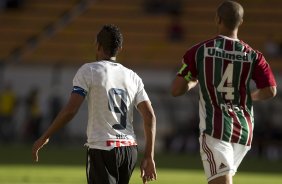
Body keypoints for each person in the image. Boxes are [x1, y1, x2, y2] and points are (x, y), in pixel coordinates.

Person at [32, 24, 157, 184]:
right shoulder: (133, 77)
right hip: (129, 149)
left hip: (103, 147)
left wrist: (45, 136)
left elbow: (71, 110)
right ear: (119, 49)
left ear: (98, 45)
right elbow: (150, 117)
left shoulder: (89, 70)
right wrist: (149, 156)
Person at [171, 1, 277, 184]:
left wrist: (194, 82)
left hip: (216, 129)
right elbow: (270, 90)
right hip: (243, 131)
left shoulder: (199, 51)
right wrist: (251, 97)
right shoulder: (253, 55)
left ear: (217, 19)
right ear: (241, 22)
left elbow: (176, 90)